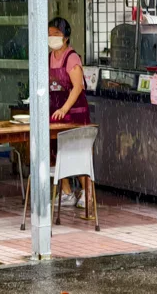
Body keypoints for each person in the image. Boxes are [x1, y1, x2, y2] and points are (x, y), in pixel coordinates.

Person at [48, 17, 90, 208]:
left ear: (65, 37)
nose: (52, 37)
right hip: (55, 111)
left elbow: (77, 87)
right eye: (49, 33)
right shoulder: (50, 57)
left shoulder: (71, 57)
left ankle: (88, 193)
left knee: (76, 152)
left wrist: (65, 108)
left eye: (56, 34)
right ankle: (66, 192)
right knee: (55, 151)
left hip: (74, 112)